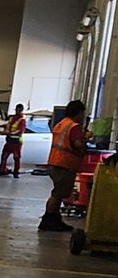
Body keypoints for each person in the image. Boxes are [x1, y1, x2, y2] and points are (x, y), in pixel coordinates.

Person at [39, 99, 87, 233]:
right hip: (64, 164)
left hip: (55, 162)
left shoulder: (61, 124)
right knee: (57, 194)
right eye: (82, 113)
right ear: (78, 113)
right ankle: (47, 220)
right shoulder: (74, 126)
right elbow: (78, 144)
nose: (83, 116)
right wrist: (86, 137)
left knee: (58, 194)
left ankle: (55, 219)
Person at [0, 103, 26, 177]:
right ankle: (2, 170)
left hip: (16, 142)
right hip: (9, 141)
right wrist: (0, 127)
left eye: (19, 110)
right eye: (17, 110)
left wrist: (10, 133)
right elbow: (8, 125)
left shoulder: (22, 120)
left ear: (21, 110)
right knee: (4, 156)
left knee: (16, 157)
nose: (17, 111)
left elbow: (20, 130)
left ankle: (16, 172)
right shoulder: (12, 117)